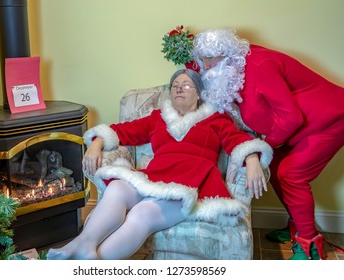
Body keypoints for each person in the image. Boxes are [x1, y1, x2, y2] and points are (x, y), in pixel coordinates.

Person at [46, 69, 273, 260]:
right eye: (175, 85)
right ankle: (84, 246)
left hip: (192, 185)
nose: (178, 88)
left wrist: (251, 158)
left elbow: (237, 140)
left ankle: (91, 265)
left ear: (199, 93)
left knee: (143, 213)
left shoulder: (216, 119)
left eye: (186, 85)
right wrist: (96, 144)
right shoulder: (158, 118)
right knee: (117, 188)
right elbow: (122, 131)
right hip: (155, 177)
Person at [193, 29, 344, 260]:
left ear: (226, 55)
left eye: (210, 59)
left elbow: (291, 116)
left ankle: (310, 248)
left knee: (291, 174)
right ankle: (297, 226)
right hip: (297, 129)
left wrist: (267, 146)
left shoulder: (259, 65)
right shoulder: (232, 71)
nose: (206, 66)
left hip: (330, 120)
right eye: (201, 59)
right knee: (275, 172)